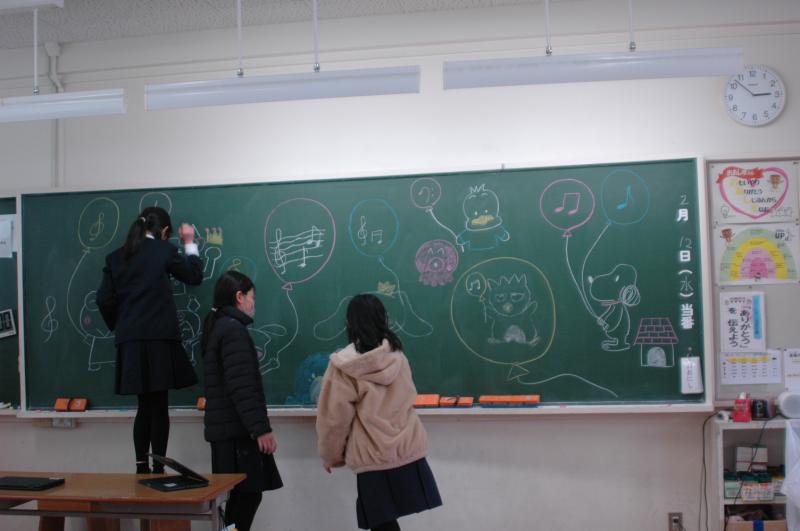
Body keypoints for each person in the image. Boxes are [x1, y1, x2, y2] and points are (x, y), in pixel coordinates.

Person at [316, 294, 442, 531]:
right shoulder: (397, 356)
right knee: (387, 525)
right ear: (383, 319)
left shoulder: (344, 365)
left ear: (349, 322)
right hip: (406, 450)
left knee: (382, 525)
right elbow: (407, 398)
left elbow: (334, 419)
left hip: (372, 457)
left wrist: (330, 455)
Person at [96, 206, 202, 474]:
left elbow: (103, 299)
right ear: (164, 231)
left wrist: (122, 324)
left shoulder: (115, 257)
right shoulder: (163, 250)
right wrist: (189, 242)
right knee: (159, 404)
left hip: (130, 340)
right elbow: (193, 276)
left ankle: (141, 466)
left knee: (144, 405)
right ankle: (158, 467)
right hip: (159, 338)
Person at [201, 271, 282, 531]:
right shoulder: (232, 330)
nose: (253, 303)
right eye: (251, 297)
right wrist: (260, 429)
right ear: (239, 296)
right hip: (237, 433)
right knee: (246, 497)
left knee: (241, 499)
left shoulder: (219, 326)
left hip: (228, 431)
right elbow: (242, 386)